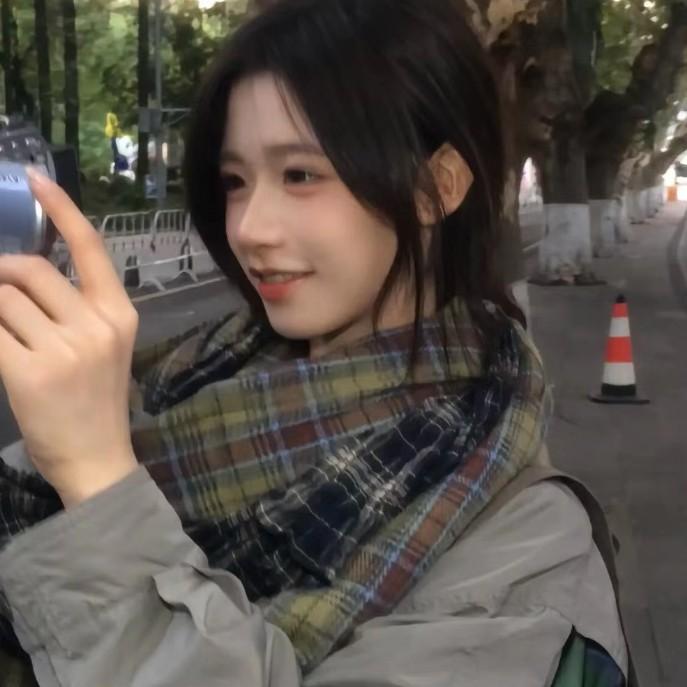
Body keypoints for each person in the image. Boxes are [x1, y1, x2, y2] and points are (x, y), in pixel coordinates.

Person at [0, 1, 629, 685]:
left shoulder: (525, 544)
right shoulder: (181, 382)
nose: (249, 227)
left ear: (438, 186)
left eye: (300, 175)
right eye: (235, 181)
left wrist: (98, 482)